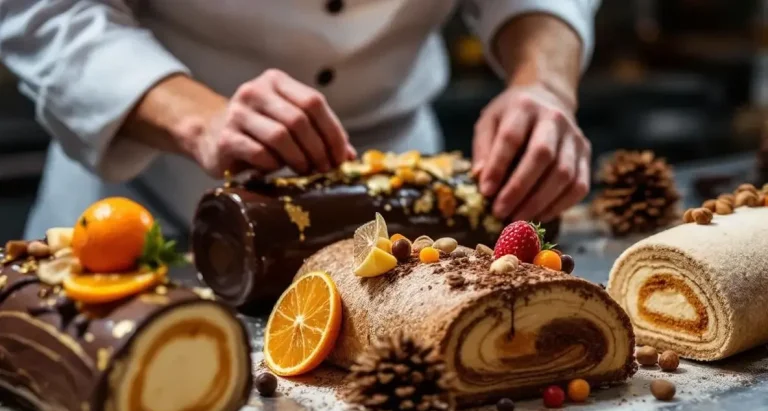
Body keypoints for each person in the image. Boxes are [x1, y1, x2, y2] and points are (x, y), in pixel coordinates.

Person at [1, 1, 598, 239]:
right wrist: (200, 120)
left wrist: (542, 82)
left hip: (406, 204)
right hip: (150, 196)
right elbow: (48, 9)